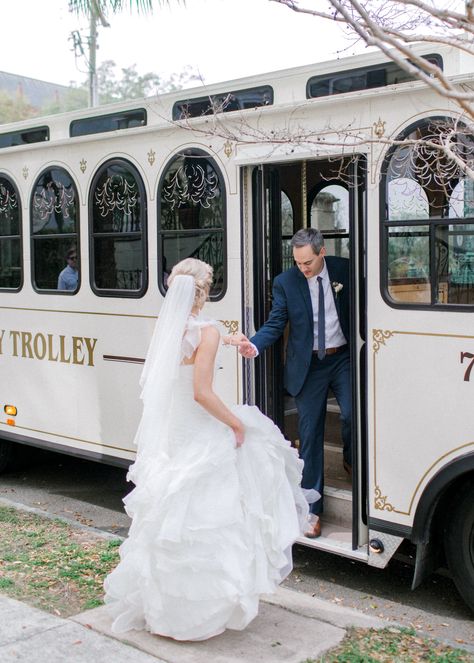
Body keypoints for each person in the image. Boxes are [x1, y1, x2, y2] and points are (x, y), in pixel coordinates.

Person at [103, 257, 316, 641]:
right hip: (199, 426)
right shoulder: (206, 333)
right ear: (205, 289)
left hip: (174, 430)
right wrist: (234, 423)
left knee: (173, 519)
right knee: (217, 510)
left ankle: (168, 612)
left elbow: (195, 349)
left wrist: (233, 339)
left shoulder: (170, 328)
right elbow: (202, 393)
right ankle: (205, 610)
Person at [236, 228, 351, 540]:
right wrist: (255, 345)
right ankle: (313, 509)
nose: (304, 268)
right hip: (309, 365)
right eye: (299, 263)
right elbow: (276, 322)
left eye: (309, 262)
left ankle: (351, 458)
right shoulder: (285, 282)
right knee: (310, 434)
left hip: (343, 359)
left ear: (322, 252)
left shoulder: (344, 270)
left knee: (353, 415)